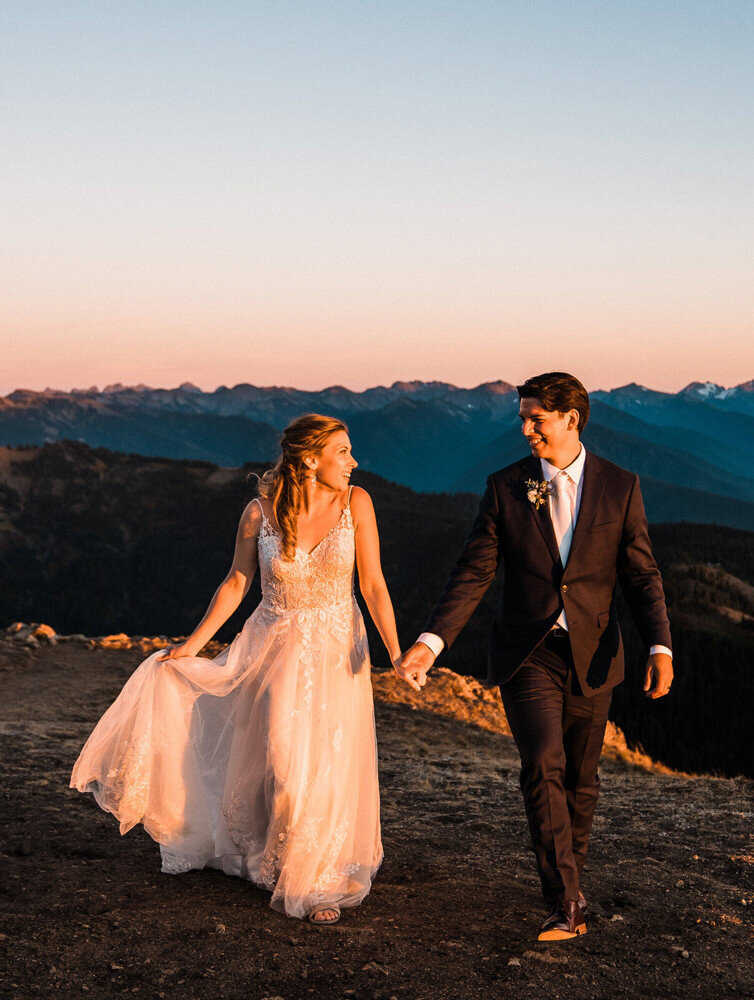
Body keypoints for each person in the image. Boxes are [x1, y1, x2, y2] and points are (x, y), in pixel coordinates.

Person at [71, 413, 408, 924]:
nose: (353, 461)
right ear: (309, 458)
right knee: (282, 754)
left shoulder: (356, 502)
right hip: (274, 647)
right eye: (343, 451)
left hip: (340, 649)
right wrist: (192, 647)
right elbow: (235, 582)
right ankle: (281, 856)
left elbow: (375, 584)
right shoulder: (259, 512)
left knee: (329, 760)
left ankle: (314, 878)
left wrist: (397, 651)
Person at [399, 372, 673, 942]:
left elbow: (641, 574)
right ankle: (565, 901)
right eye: (522, 418)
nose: (525, 430)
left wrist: (660, 644)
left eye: (536, 419)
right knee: (542, 762)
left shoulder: (621, 486)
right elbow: (474, 572)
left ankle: (569, 875)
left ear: (572, 419)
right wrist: (430, 643)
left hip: (595, 654)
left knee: (582, 777)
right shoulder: (506, 487)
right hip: (529, 654)